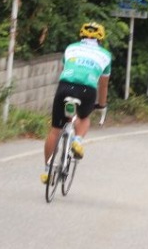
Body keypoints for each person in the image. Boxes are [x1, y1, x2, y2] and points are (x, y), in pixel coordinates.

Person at [41, 22, 112, 184]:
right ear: (101, 39)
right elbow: (103, 85)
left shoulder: (70, 48)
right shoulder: (105, 55)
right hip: (87, 89)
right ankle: (78, 141)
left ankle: (47, 171)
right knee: (84, 118)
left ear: (81, 36)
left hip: (65, 87)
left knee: (55, 130)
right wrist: (101, 104)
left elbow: (66, 69)